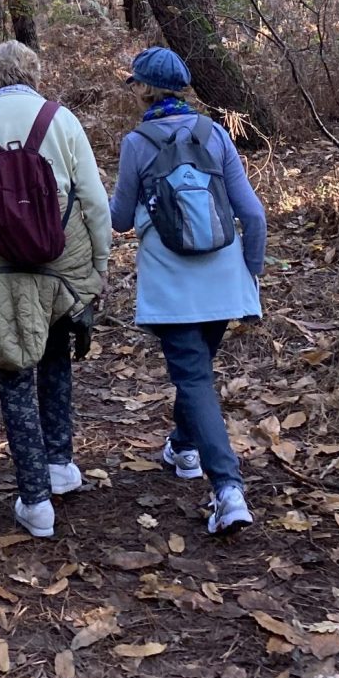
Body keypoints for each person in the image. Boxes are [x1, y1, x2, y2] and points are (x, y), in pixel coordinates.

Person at [0, 40, 111, 539]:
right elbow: (95, 201)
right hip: (64, 261)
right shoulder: (61, 120)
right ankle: (59, 464)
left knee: (14, 369)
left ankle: (35, 499)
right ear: (34, 74)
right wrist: (100, 264)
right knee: (57, 356)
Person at [110, 46, 266, 536]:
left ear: (148, 89)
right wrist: (251, 274)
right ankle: (183, 445)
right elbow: (254, 215)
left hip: (172, 285)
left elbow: (117, 220)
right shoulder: (214, 134)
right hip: (223, 278)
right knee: (196, 373)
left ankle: (228, 490)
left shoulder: (137, 142)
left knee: (195, 379)